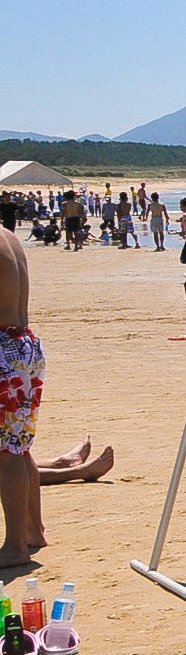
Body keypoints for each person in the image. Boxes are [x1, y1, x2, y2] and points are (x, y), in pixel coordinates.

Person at [0, 225, 47, 566]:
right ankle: (33, 529)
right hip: (23, 344)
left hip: (2, 348)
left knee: (5, 453)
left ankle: (15, 546)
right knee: (19, 446)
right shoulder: (7, 234)